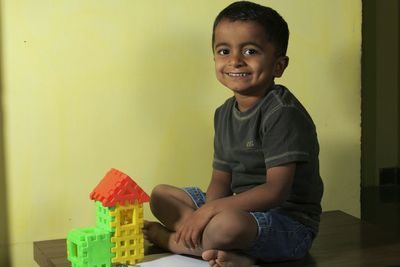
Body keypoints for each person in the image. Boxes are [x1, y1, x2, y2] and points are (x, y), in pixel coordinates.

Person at [143, 1, 323, 266]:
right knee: (160, 195)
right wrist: (206, 212)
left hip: (286, 222)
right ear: (214, 58)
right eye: (224, 50)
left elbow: (276, 192)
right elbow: (220, 181)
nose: (235, 60)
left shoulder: (282, 112)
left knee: (224, 225)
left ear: (278, 65)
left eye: (250, 50)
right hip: (238, 205)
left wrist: (211, 213)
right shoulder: (224, 113)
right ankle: (225, 250)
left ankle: (174, 241)